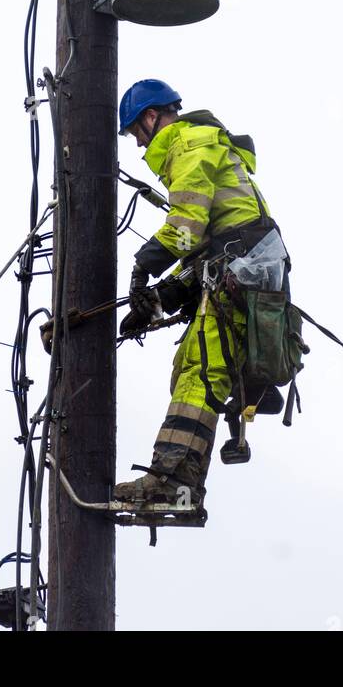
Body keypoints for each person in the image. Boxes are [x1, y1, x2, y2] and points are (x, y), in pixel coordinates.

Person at [115, 78, 283, 510]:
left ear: (151, 118)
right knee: (188, 370)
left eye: (136, 133)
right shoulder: (203, 146)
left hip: (241, 276)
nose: (138, 146)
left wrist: (141, 268)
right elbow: (208, 250)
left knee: (200, 376)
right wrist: (153, 303)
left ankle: (171, 486)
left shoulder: (188, 145)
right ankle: (177, 484)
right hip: (241, 273)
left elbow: (186, 228)